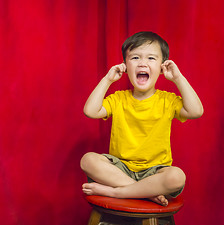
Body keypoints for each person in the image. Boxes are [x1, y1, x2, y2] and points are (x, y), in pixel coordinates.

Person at [80, 31, 203, 206]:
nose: (142, 63)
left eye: (151, 58)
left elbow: (196, 111)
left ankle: (118, 192)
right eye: (135, 58)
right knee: (88, 160)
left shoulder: (167, 100)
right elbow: (90, 111)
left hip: (154, 173)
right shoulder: (119, 98)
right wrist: (108, 80)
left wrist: (178, 78)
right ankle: (143, 192)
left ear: (162, 67)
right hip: (119, 169)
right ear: (125, 66)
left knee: (177, 177)